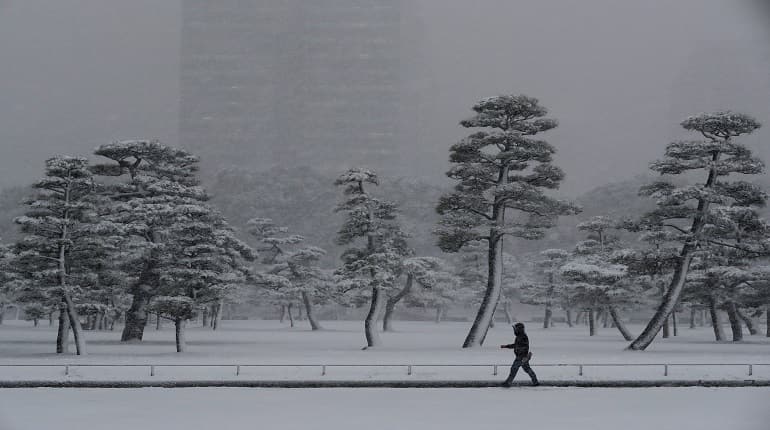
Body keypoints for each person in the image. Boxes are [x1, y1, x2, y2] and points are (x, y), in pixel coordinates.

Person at [500, 322, 539, 387]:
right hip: (522, 357)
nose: (514, 331)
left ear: (519, 329)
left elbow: (525, 347)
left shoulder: (523, 337)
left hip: (521, 357)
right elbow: (515, 345)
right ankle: (535, 381)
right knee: (527, 369)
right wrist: (506, 346)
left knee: (514, 369)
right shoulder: (520, 336)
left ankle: (508, 383)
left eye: (515, 329)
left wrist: (524, 356)